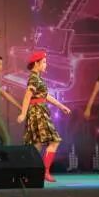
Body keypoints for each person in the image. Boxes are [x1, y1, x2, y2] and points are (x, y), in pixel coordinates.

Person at [17, 51, 71, 183]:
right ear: (36, 63)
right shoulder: (34, 78)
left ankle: (31, 173)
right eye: (44, 62)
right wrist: (23, 113)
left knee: (37, 145)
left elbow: (45, 96)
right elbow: (27, 96)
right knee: (54, 140)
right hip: (37, 112)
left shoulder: (38, 78)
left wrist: (61, 106)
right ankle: (44, 172)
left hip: (39, 110)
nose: (46, 65)